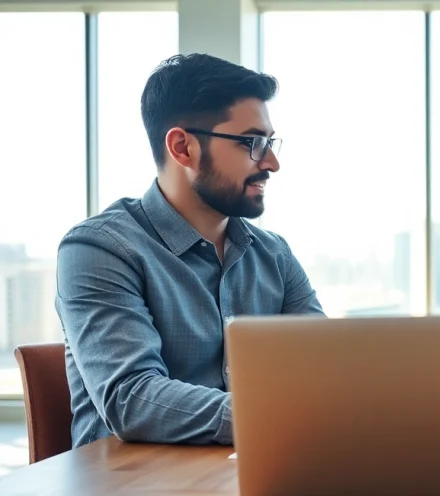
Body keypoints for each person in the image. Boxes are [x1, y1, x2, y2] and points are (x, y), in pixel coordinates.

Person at [55, 53, 323, 448]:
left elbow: (324, 372)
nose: (272, 162)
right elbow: (131, 398)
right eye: (252, 142)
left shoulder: (274, 254)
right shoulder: (99, 248)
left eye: (269, 142)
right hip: (134, 482)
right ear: (183, 148)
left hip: (252, 465)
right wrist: (274, 418)